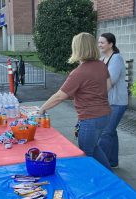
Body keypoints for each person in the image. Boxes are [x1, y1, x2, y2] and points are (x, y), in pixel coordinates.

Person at [39, 32, 111, 169]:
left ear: (77, 49)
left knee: (86, 153)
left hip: (90, 118)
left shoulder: (79, 72)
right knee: (94, 148)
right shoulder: (101, 65)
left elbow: (60, 96)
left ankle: (99, 183)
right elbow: (107, 86)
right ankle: (110, 176)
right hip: (104, 115)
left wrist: (42, 108)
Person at [98, 33, 128, 168]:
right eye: (99, 42)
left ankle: (101, 165)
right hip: (107, 102)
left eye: (102, 42)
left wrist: (96, 95)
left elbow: (111, 80)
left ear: (111, 44)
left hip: (117, 102)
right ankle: (112, 161)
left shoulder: (116, 58)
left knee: (105, 132)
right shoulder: (102, 58)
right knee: (111, 132)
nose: (99, 45)